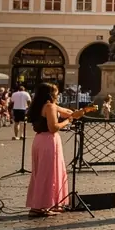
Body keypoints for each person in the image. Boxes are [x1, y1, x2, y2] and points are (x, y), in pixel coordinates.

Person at [26, 84, 73, 217]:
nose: (58, 95)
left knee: (41, 172)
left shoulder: (40, 105)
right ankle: (40, 206)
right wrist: (67, 121)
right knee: (48, 173)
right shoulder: (50, 106)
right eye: (56, 93)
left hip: (39, 140)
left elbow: (65, 111)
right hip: (48, 140)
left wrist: (76, 113)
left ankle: (42, 203)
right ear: (50, 94)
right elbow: (53, 127)